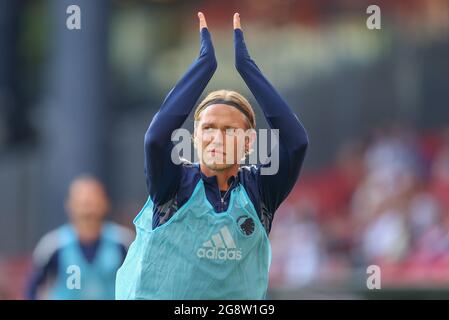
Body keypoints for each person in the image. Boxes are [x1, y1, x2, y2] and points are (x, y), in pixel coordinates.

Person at [116, 12, 308, 299]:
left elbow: (296, 142)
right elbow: (155, 139)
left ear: (249, 141)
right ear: (195, 136)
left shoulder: (261, 190)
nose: (217, 137)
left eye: (230, 130)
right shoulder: (173, 183)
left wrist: (246, 67)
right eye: (208, 128)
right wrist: (205, 66)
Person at [26, 175, 133, 300]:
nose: (87, 209)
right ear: (69, 206)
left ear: (105, 203)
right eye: (82, 203)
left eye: (92, 202)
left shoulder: (124, 243)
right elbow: (32, 289)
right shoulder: (53, 246)